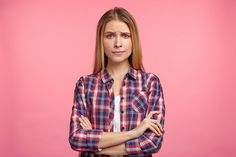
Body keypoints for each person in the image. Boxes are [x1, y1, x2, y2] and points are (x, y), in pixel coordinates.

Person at [69, 7, 165, 156]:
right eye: (110, 36)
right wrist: (134, 133)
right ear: (101, 39)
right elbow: (76, 138)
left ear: (134, 40)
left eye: (125, 36)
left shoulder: (150, 83)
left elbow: (152, 142)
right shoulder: (85, 85)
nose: (118, 43)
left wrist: (93, 142)